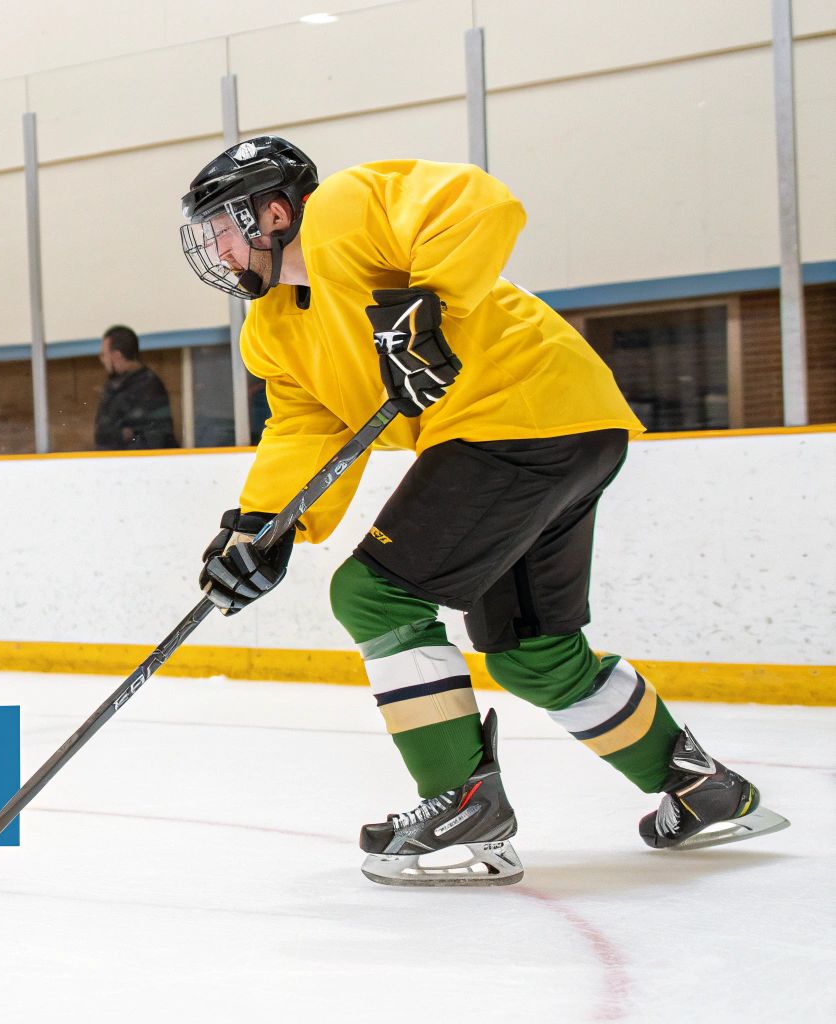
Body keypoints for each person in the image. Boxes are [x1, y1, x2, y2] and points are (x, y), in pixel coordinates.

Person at [180, 136, 788, 887]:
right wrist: (265, 528)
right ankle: (702, 787)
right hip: (567, 425)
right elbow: (308, 427)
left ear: (275, 211)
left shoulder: (342, 211)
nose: (213, 246)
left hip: (517, 415)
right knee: (532, 652)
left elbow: (475, 200)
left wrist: (424, 301)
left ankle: (463, 803)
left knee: (372, 591)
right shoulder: (273, 329)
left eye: (220, 225)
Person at [93, 325, 178, 450]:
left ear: (116, 355)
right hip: (113, 463)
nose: (102, 360)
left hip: (136, 464)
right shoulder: (114, 385)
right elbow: (104, 433)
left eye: (103, 354)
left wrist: (123, 436)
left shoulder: (149, 387)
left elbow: (154, 438)